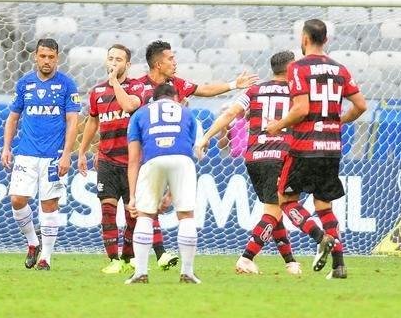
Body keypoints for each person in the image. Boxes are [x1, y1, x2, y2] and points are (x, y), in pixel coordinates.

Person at [129, 39, 256, 271]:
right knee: (145, 211)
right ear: (157, 64)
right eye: (170, 58)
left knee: (144, 210)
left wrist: (232, 84)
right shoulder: (136, 87)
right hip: (140, 151)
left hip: (155, 156)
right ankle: (141, 261)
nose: (174, 62)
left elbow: (204, 90)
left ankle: (142, 267)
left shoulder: (176, 84)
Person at [263, 19, 367, 279]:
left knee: (286, 200)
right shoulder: (340, 69)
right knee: (324, 206)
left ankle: (320, 237)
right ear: (326, 40)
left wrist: (278, 126)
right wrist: (337, 121)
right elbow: (361, 106)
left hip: (304, 145)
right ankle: (339, 266)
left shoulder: (297, 67)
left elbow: (301, 109)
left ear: (305, 39)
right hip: (331, 147)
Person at [196, 51, 301, 276]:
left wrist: (206, 137)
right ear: (290, 68)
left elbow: (230, 114)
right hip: (280, 156)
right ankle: (246, 258)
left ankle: (290, 263)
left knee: (274, 211)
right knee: (273, 211)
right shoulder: (297, 92)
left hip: (254, 158)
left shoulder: (253, 90)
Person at [1, 38, 80, 271]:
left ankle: (46, 257)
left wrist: (67, 154)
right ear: (35, 56)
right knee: (17, 199)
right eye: (42, 56)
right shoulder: (24, 84)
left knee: (49, 205)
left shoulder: (67, 85)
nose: (46, 61)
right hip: (26, 153)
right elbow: (13, 117)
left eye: (51, 57)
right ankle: (32, 243)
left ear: (57, 58)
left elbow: (73, 121)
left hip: (53, 155)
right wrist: (6, 147)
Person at [125, 81, 204, 284]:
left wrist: (133, 197)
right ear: (176, 98)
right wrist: (171, 195)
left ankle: (141, 273)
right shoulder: (187, 113)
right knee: (186, 215)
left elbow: (134, 159)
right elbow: (192, 150)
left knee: (144, 215)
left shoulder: (140, 114)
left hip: (152, 161)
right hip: (183, 161)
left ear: (154, 99)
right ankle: (187, 273)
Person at [77, 44, 142, 274]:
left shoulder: (138, 88)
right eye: (111, 58)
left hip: (132, 162)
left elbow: (129, 106)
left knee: (132, 211)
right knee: (107, 210)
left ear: (128, 64)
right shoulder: (96, 92)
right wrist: (83, 151)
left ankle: (128, 256)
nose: (114, 63)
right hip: (106, 159)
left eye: (119, 59)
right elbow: (93, 121)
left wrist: (115, 82)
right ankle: (113, 259)